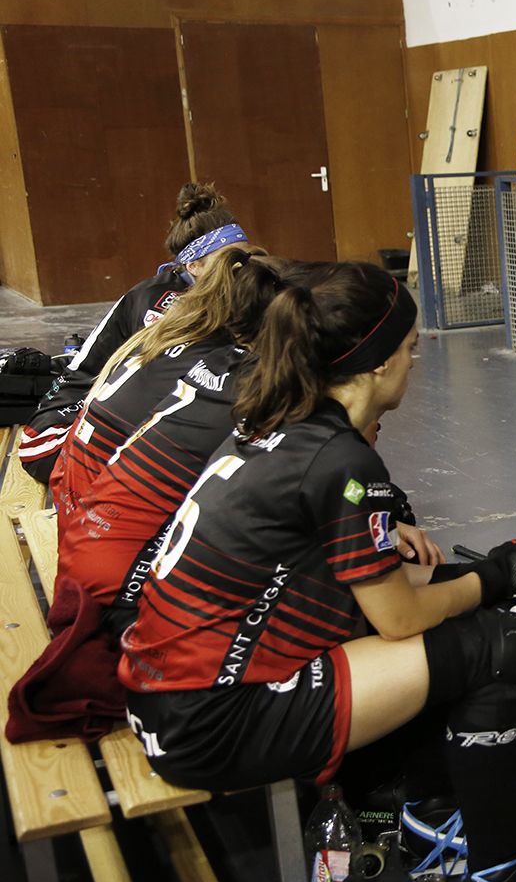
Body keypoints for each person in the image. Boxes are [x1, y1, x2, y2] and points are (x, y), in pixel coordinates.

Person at [117, 261, 516, 882]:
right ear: (377, 366)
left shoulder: (278, 421)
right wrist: (502, 576)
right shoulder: (340, 461)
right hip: (215, 722)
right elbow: (401, 622)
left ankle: (427, 819)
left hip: (166, 701)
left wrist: (448, 574)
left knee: (440, 615)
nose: (414, 364)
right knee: (501, 645)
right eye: (410, 350)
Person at [53, 249, 441, 619]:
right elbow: (332, 503)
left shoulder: (229, 362)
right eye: (409, 349)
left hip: (89, 547)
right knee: (378, 595)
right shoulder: (275, 397)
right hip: (122, 594)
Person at [19, 182, 251, 484]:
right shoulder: (162, 303)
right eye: (229, 260)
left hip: (109, 425)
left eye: (245, 257)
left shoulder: (219, 291)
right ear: (193, 265)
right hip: (55, 437)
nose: (243, 268)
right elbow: (169, 395)